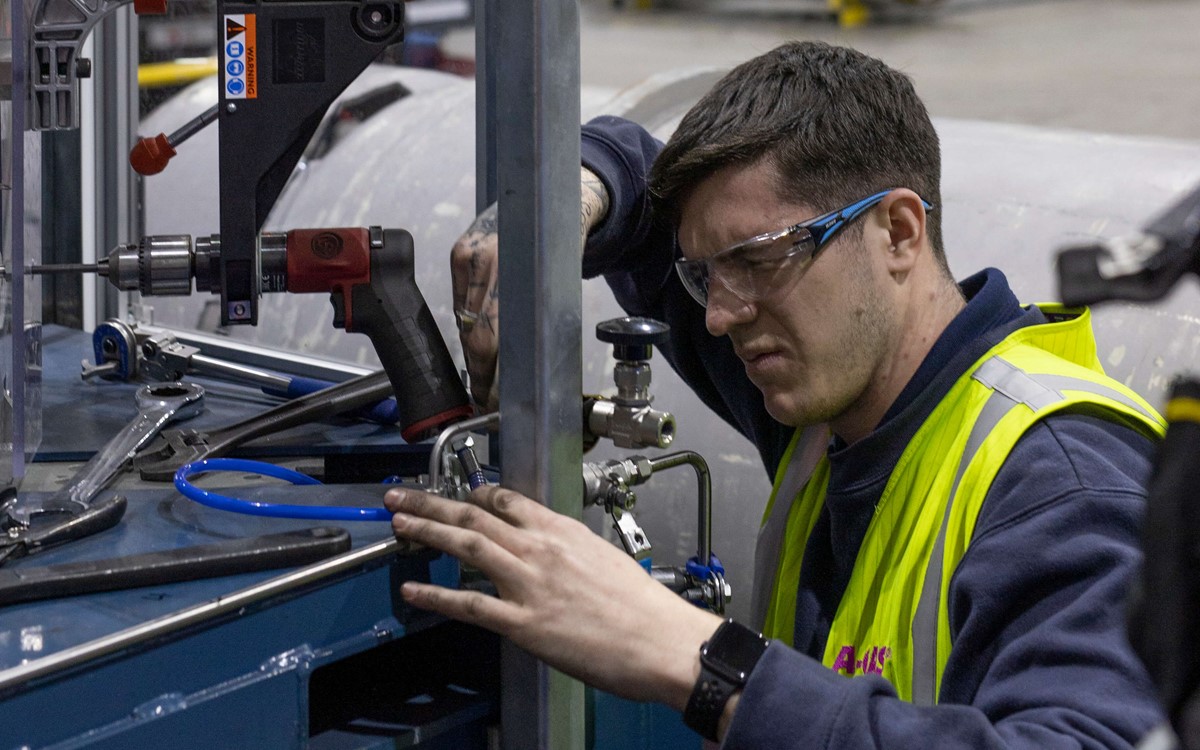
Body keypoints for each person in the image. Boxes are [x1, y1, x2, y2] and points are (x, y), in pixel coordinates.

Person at [383, 41, 1169, 748]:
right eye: (705, 276)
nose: (719, 316)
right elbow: (635, 178)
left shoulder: (1058, 483)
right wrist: (566, 202)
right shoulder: (835, 403)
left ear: (898, 231)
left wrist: (699, 662)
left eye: (758, 263)